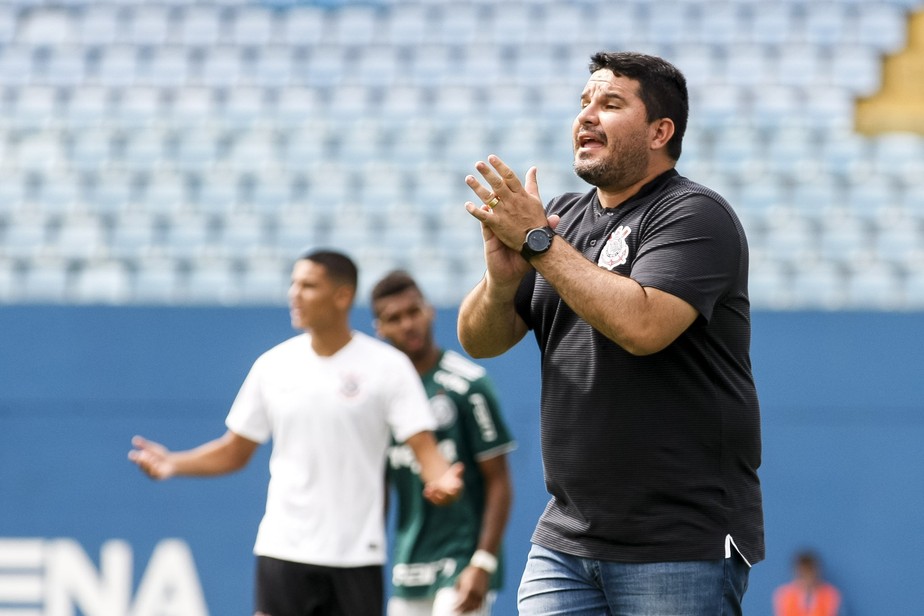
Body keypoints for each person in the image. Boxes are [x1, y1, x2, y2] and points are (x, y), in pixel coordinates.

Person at [456, 50, 765, 615]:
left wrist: (539, 245)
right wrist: (501, 285)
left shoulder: (693, 214)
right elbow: (479, 340)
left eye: (611, 103)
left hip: (677, 542)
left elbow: (641, 326)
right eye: (584, 103)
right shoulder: (559, 219)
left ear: (659, 131)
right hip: (565, 539)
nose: (587, 116)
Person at [129, 249, 463, 616]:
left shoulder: (389, 367)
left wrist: (444, 481)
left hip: (356, 555)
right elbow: (234, 451)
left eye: (308, 285)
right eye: (293, 284)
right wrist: (174, 463)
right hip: (283, 551)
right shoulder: (273, 366)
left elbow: (424, 448)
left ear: (342, 296)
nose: (294, 294)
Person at [371, 270, 516, 616]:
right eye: (394, 318)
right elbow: (378, 486)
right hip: (409, 565)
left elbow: (499, 480)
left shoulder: (468, 385)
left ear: (429, 310)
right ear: (380, 328)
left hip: (462, 560)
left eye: (413, 312)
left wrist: (482, 563)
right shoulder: (381, 394)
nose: (408, 324)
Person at [773, 551, 843, 616]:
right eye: (802, 575)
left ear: (817, 572)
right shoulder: (784, 595)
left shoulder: (831, 594)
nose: (807, 579)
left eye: (809, 574)